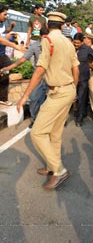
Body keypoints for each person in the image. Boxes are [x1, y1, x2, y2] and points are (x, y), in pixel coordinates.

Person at [16, 12, 80, 190]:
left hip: (57, 92)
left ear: (47, 25)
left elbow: (40, 70)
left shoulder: (48, 40)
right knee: (55, 133)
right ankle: (51, 165)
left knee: (37, 133)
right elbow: (76, 69)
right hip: (68, 90)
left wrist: (24, 96)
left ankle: (58, 170)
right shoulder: (68, 43)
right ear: (61, 26)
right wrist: (73, 89)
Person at [3, 26, 49, 128]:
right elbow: (22, 60)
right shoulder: (34, 46)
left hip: (52, 76)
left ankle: (57, 121)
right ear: (40, 36)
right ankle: (34, 120)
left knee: (53, 100)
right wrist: (7, 68)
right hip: (39, 77)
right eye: (44, 38)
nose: (46, 40)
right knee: (33, 99)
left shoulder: (53, 46)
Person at [0, 3, 26, 105]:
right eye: (4, 14)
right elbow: (0, 39)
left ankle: (2, 99)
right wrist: (16, 46)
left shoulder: (2, 23)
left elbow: (3, 33)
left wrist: (10, 29)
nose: (6, 17)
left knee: (7, 70)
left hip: (2, 54)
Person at [73, 32, 93, 126]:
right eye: (74, 43)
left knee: (81, 98)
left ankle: (79, 119)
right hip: (72, 78)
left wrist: (91, 64)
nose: (76, 45)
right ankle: (80, 113)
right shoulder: (71, 48)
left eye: (78, 43)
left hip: (83, 77)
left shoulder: (87, 49)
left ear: (82, 42)